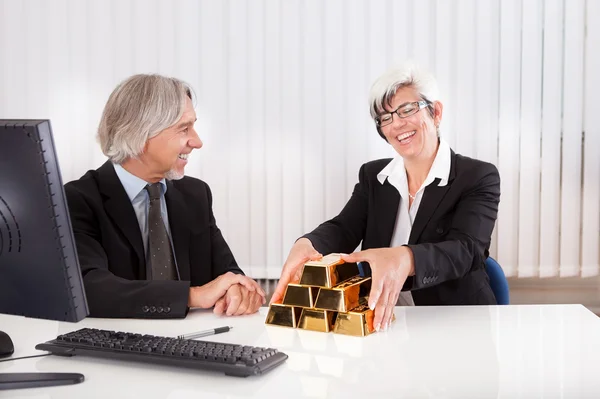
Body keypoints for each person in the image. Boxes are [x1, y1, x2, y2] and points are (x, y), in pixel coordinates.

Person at [272, 62, 500, 332]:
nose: (396, 124)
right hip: (381, 319)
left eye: (407, 109)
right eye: (385, 117)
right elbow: (344, 227)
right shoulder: (374, 176)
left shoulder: (477, 176)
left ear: (436, 113)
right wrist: (308, 242)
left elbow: (468, 249)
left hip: (455, 322)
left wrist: (406, 258)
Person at [65, 74, 265, 319]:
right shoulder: (78, 199)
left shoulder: (195, 195)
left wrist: (237, 290)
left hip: (194, 343)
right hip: (118, 347)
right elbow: (87, 288)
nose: (197, 141)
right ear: (140, 134)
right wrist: (192, 295)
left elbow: (227, 273)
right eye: (184, 128)